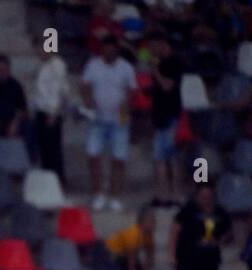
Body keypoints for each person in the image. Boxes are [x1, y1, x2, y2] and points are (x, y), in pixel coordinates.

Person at [81, 36, 136, 211]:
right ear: (102, 49)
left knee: (118, 159)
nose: (109, 51)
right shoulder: (93, 65)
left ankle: (114, 195)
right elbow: (84, 85)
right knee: (93, 156)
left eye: (112, 48)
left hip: (120, 120)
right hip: (97, 119)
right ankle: (99, 193)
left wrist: (126, 103)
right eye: (106, 48)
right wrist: (88, 99)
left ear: (117, 50)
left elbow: (131, 90)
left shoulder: (126, 67)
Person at [146, 32, 183, 202]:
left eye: (156, 46)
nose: (154, 49)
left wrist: (155, 72)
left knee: (167, 157)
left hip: (171, 115)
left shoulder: (174, 63)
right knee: (163, 158)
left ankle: (171, 195)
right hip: (159, 115)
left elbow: (167, 86)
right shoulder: (158, 62)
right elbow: (157, 89)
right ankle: (163, 195)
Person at [31, 32, 69, 179]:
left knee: (53, 150)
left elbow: (57, 90)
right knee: (45, 150)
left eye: (39, 48)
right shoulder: (42, 66)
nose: (37, 52)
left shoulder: (57, 65)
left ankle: (58, 181)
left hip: (51, 114)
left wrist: (53, 113)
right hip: (41, 112)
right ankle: (48, 181)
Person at [105, 205, 156, 270]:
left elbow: (150, 254)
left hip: (125, 255)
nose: (154, 224)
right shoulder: (134, 233)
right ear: (142, 222)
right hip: (111, 253)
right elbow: (131, 256)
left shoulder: (148, 235)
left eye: (154, 221)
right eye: (151, 222)